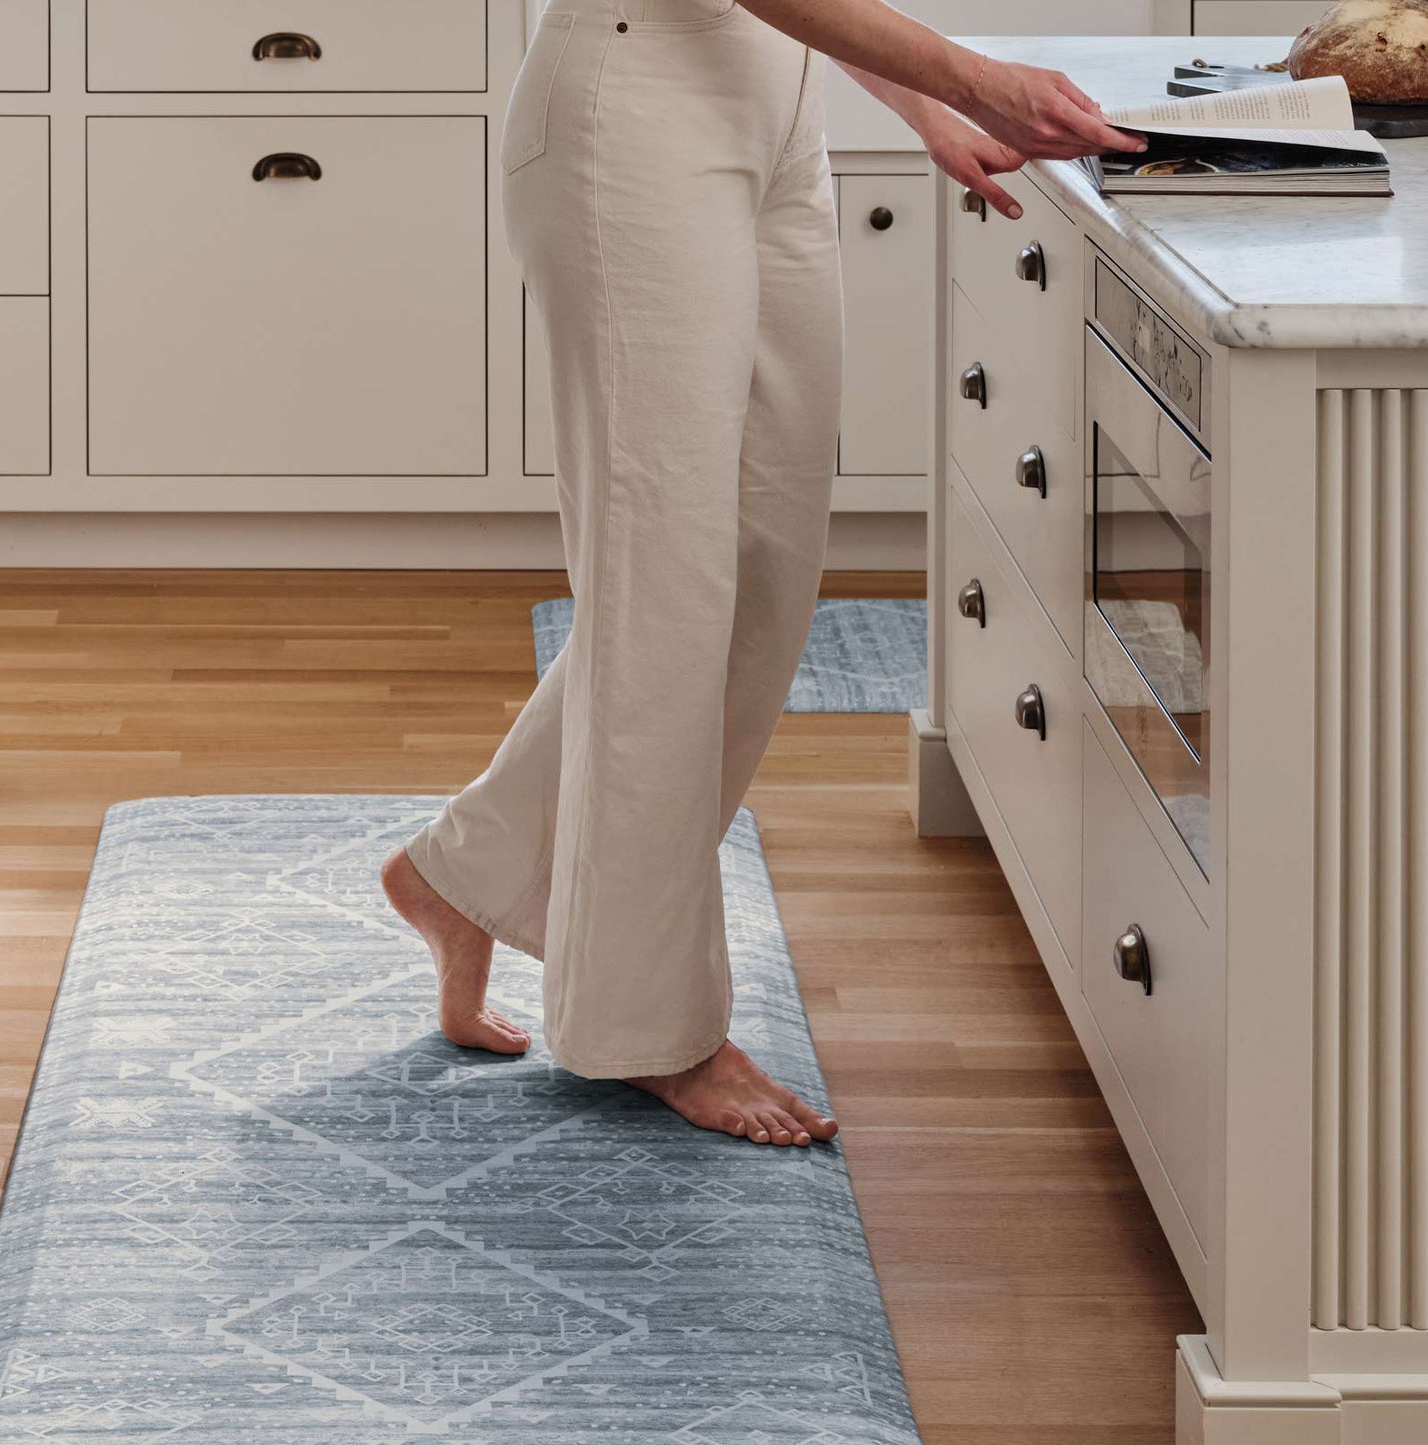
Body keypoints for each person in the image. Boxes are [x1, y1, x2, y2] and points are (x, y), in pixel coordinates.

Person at [382, 0, 1145, 1148]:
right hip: (630, 118)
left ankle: (464, 868)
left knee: (759, 575)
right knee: (667, 584)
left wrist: (921, 100)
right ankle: (649, 1028)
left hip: (773, 106)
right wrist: (970, 75)